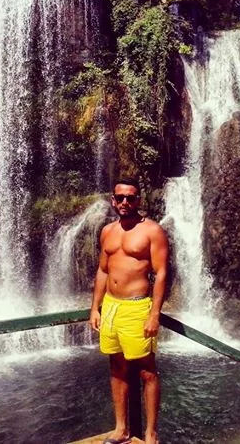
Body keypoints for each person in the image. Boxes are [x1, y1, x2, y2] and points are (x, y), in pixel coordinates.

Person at [90, 177, 168, 444]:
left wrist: (154, 314)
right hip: (111, 307)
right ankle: (121, 428)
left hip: (137, 308)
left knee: (147, 371)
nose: (125, 202)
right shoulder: (107, 231)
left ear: (138, 200)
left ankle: (150, 434)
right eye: (120, 197)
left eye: (130, 198)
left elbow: (161, 273)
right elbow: (103, 270)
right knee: (117, 367)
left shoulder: (152, 231)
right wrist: (95, 308)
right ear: (113, 200)